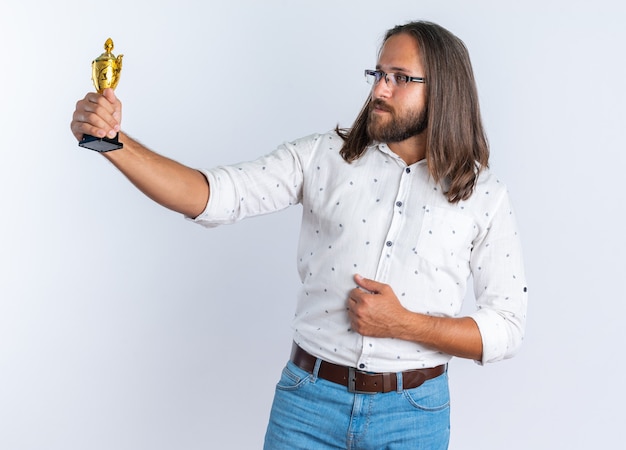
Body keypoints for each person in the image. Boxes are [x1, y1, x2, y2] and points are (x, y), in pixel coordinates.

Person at [71, 20, 527, 450]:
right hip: (307, 405)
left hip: (413, 415)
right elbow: (214, 196)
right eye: (377, 74)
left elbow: (506, 329)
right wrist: (113, 142)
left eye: (398, 78)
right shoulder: (323, 156)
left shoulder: (484, 196)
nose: (378, 89)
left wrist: (402, 324)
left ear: (443, 91)